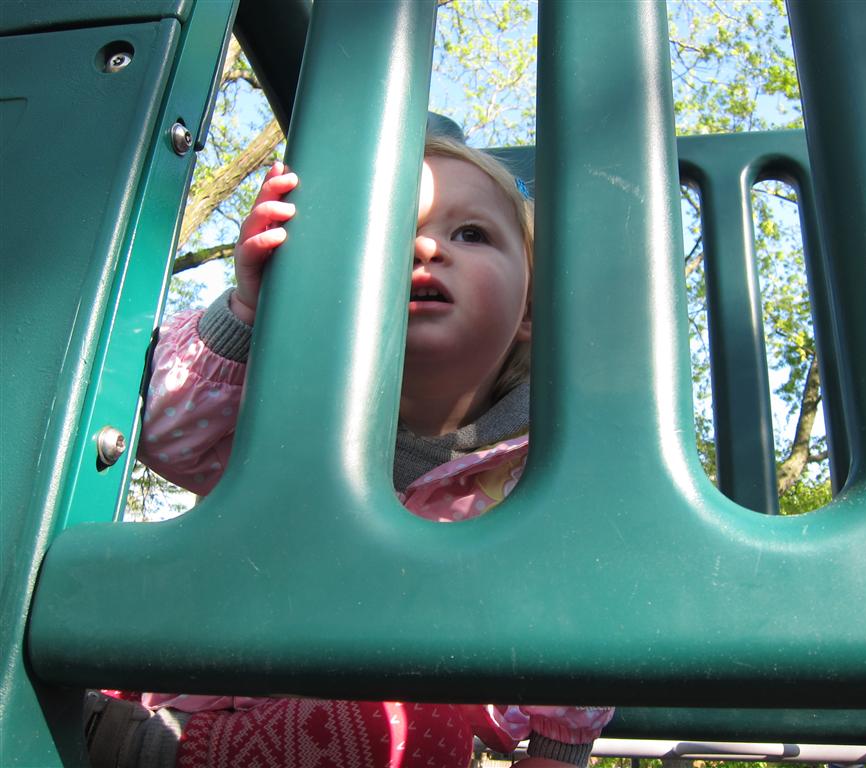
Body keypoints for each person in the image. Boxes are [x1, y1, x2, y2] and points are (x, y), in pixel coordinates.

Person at [85, 134, 614, 768]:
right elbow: (163, 437)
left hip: (361, 719)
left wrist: (560, 747)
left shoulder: (542, 468)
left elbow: (576, 605)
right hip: (190, 675)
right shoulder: (288, 403)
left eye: (471, 234)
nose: (425, 248)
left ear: (528, 310)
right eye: (393, 232)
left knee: (412, 730)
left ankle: (144, 750)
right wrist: (250, 310)